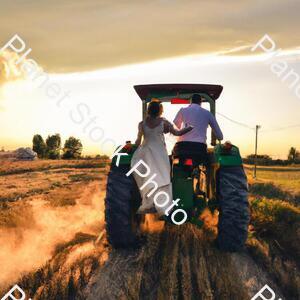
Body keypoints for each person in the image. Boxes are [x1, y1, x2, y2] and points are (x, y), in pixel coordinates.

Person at [131, 99, 193, 215]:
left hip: (146, 153)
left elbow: (138, 141)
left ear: (148, 110)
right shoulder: (163, 122)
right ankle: (162, 207)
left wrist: (131, 147)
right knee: (162, 178)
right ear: (160, 110)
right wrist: (189, 128)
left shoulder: (142, 124)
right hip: (160, 153)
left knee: (148, 178)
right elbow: (177, 133)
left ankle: (149, 204)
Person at [173, 94, 223, 165]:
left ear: (191, 101)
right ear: (201, 102)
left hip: (183, 147)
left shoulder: (183, 110)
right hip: (199, 148)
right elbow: (220, 136)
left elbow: (176, 127)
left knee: (175, 158)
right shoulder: (207, 113)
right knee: (207, 162)